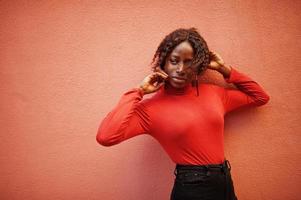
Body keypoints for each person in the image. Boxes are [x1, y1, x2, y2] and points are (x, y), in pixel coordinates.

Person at [96, 27, 270, 200]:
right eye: (174, 61)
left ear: (198, 66)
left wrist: (224, 69)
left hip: (224, 180)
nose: (181, 69)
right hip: (192, 187)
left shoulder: (214, 93)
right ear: (163, 62)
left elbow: (260, 97)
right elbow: (106, 136)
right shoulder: (149, 109)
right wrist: (138, 91)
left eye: (189, 62)